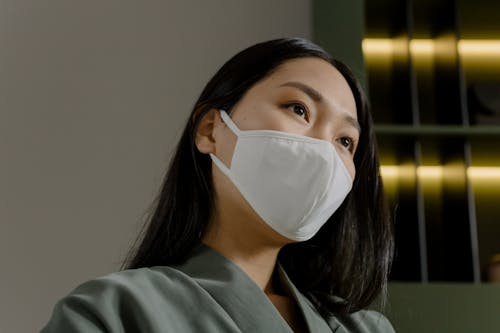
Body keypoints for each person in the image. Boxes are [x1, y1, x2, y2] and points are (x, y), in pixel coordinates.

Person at [42, 38, 395, 332]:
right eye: (298, 109)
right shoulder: (114, 312)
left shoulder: (364, 328)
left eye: (345, 141)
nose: (324, 149)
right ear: (211, 129)